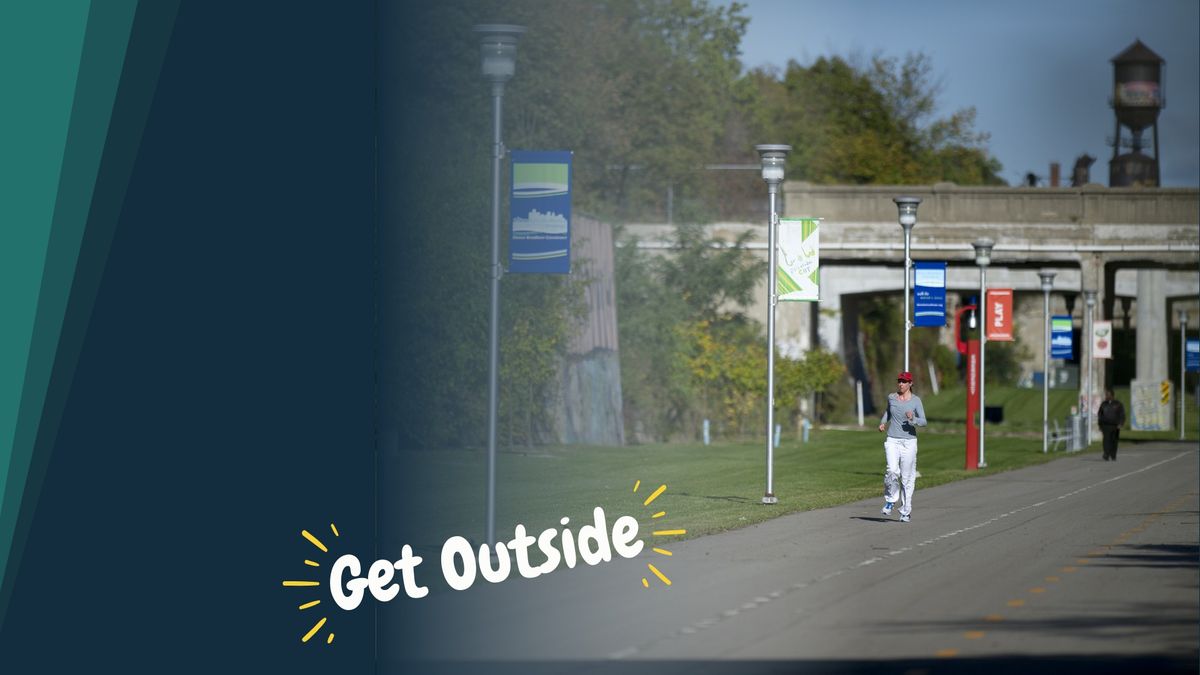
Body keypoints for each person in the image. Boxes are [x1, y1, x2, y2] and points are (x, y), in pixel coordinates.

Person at [878, 371, 926, 522]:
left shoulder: (916, 401)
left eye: (904, 381)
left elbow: (924, 421)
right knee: (892, 470)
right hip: (892, 439)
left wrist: (913, 419)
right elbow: (888, 412)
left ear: (910, 384)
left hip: (909, 442)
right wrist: (883, 422)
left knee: (906, 478)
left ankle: (906, 511)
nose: (901, 384)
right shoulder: (892, 397)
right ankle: (891, 501)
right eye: (899, 381)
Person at [1097, 389, 1126, 461]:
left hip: (1115, 426)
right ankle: (1106, 454)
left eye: (1108, 395)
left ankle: (1113, 455)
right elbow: (1100, 415)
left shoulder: (1118, 404)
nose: (1106, 396)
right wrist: (1100, 425)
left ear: (1112, 396)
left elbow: (1122, 415)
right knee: (1106, 440)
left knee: (1114, 440)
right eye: (1106, 395)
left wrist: (1120, 423)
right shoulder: (1103, 404)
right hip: (1105, 425)